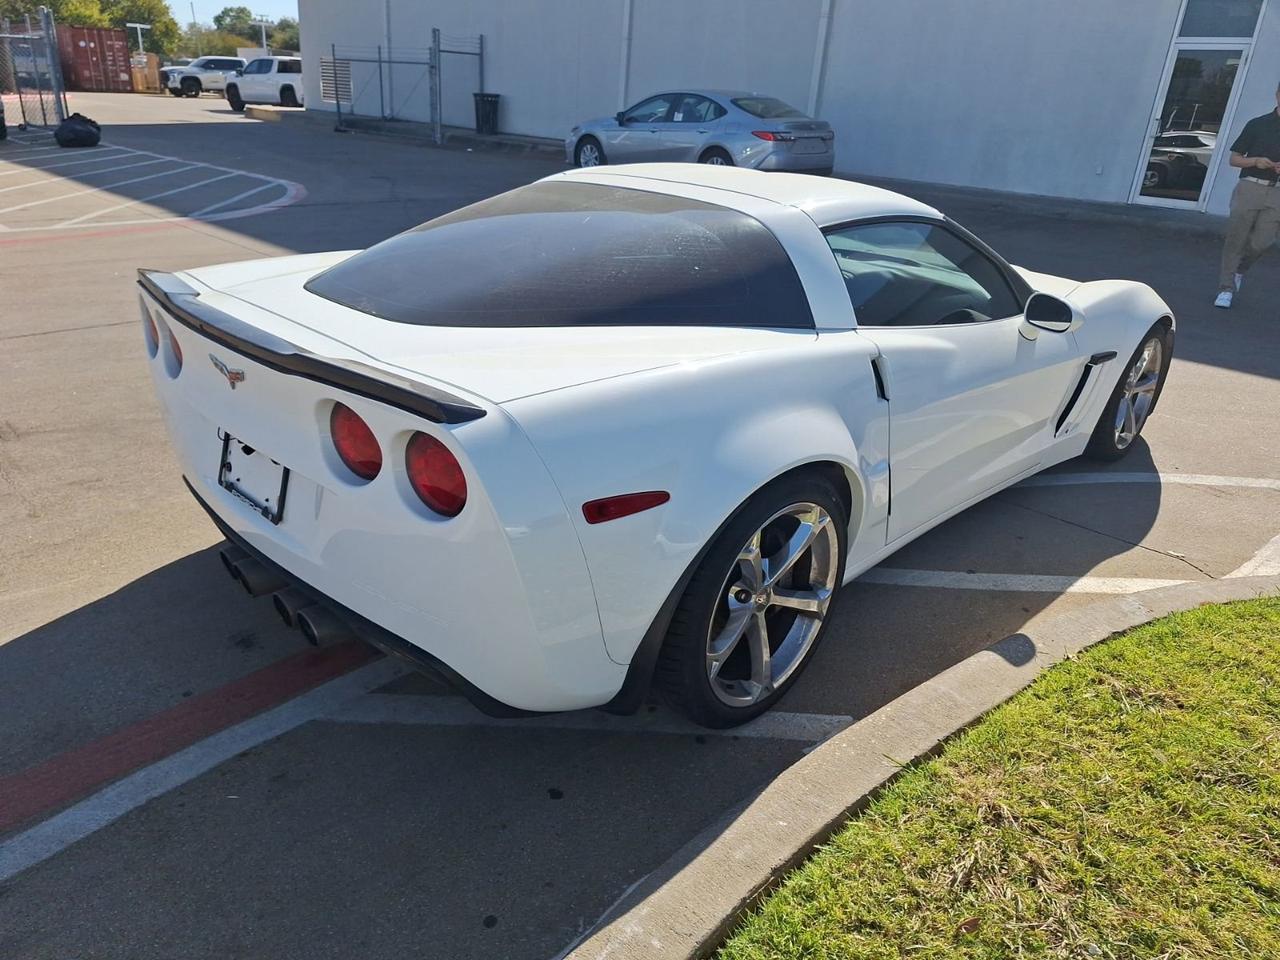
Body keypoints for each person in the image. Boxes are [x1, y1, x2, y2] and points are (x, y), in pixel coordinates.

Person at [1215, 81, 1280, 309]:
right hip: (1250, 187)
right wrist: (1256, 161)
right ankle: (1226, 288)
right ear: (1277, 95)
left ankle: (1239, 270)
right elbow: (1234, 159)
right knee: (1236, 237)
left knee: (1263, 241)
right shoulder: (1258, 124)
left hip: (1277, 193)